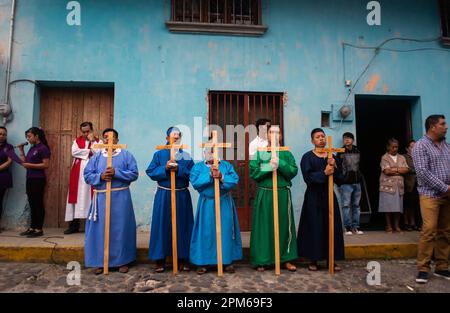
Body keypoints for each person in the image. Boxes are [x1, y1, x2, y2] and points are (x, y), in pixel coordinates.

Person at [84, 128, 138, 274]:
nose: (109, 140)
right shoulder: (96, 157)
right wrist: (100, 177)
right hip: (101, 197)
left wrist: (117, 173)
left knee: (121, 228)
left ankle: (123, 260)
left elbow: (134, 174)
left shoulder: (126, 155)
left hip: (121, 198)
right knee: (100, 229)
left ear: (117, 140)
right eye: (106, 137)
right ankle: (100, 261)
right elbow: (87, 175)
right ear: (103, 140)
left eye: (112, 137)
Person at [249, 125, 298, 272]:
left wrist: (281, 163)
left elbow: (293, 170)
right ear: (267, 135)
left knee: (284, 226)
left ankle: (286, 259)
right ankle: (263, 259)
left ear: (281, 135)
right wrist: (269, 166)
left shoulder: (286, 153)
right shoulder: (261, 152)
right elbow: (254, 172)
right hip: (266, 193)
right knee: (264, 227)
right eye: (271, 132)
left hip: (282, 194)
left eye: (277, 132)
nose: (275, 135)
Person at [146, 127, 194, 273]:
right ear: (167, 138)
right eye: (173, 136)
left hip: (181, 196)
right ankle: (160, 260)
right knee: (162, 225)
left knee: (182, 226)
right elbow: (151, 171)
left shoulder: (185, 156)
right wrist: (165, 168)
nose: (175, 139)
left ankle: (183, 258)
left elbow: (192, 174)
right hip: (164, 194)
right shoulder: (159, 154)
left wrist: (179, 168)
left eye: (178, 136)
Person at [189, 145, 242, 275]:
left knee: (225, 230)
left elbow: (234, 179)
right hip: (207, 203)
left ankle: (226, 261)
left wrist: (221, 176)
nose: (211, 154)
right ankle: (203, 262)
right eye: (209, 151)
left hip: (223, 201)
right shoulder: (198, 167)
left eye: (214, 151)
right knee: (206, 232)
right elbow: (195, 182)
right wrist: (210, 175)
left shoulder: (226, 166)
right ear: (204, 153)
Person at [297, 128, 345, 272]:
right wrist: (324, 173)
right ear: (312, 141)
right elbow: (308, 178)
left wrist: (334, 166)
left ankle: (332, 259)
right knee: (315, 226)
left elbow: (340, 179)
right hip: (313, 196)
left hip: (329, 195)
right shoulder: (307, 157)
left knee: (332, 226)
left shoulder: (333, 156)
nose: (321, 139)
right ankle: (314, 259)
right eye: (318, 137)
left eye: (323, 136)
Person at [412, 115, 450, 284]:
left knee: (445, 231)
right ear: (432, 127)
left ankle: (442, 266)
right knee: (429, 230)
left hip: (448, 195)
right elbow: (422, 172)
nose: (446, 127)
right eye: (443, 124)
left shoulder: (446, 146)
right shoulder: (421, 146)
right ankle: (423, 268)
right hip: (430, 195)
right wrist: (445, 188)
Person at [64, 122, 102, 235]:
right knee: (75, 198)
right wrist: (89, 151)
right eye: (83, 132)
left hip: (91, 174)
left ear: (92, 129)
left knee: (90, 198)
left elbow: (99, 153)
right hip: (78, 174)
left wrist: (92, 143)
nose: (86, 134)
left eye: (88, 131)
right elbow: (74, 152)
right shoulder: (76, 141)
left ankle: (92, 226)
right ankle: (74, 225)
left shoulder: (98, 142)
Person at [18, 127, 50, 238]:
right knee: (31, 203)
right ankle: (32, 227)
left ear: (37, 136)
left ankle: (39, 229)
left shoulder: (43, 148)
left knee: (38, 203)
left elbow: (46, 165)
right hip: (30, 178)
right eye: (27, 136)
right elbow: (25, 163)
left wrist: (30, 165)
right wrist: (21, 150)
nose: (28, 138)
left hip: (38, 179)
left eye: (30, 136)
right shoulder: (32, 148)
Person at [378, 138, 409, 233]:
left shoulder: (402, 157)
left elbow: (406, 170)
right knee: (388, 207)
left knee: (398, 207)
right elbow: (386, 171)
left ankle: (397, 226)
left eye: (397, 147)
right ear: (388, 147)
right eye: (393, 147)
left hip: (399, 186)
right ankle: (389, 226)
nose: (395, 149)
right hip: (387, 186)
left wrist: (393, 170)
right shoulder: (385, 157)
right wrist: (399, 170)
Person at [337, 132, 363, 235]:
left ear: (353, 140)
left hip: (357, 183)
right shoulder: (340, 152)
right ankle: (347, 228)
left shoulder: (358, 150)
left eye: (349, 138)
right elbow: (338, 168)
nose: (347, 140)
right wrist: (340, 181)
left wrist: (360, 177)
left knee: (356, 205)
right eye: (345, 139)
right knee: (346, 205)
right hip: (345, 183)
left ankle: (356, 227)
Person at [403, 140, 421, 232]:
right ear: (407, 149)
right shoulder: (404, 157)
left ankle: (415, 223)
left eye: (415, 146)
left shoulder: (419, 157)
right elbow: (406, 169)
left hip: (419, 184)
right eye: (411, 147)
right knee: (408, 205)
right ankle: (407, 223)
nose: (414, 148)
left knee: (416, 205)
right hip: (408, 184)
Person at [0, 127, 13, 233]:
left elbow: (10, 161)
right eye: (0, 134)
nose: (2, 136)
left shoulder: (9, 147)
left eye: (4, 134)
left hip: (2, 177)